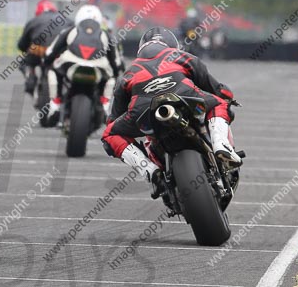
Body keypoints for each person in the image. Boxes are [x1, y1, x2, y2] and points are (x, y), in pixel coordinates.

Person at [101, 27, 241, 195]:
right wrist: (227, 97)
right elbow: (217, 89)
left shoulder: (129, 72)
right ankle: (221, 144)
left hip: (144, 112)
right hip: (189, 98)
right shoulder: (182, 56)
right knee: (218, 104)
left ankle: (150, 170)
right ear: (173, 45)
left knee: (109, 134)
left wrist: (122, 126)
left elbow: (113, 120)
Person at [44, 4, 123, 123]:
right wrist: (117, 72)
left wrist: (47, 62)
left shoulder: (69, 30)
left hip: (71, 62)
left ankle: (55, 103)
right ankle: (105, 102)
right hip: (99, 65)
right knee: (111, 76)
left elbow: (51, 51)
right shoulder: (106, 35)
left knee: (52, 70)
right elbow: (116, 61)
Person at [16, 0, 69, 95]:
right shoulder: (66, 19)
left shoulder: (33, 21)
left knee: (25, 61)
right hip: (60, 51)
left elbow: (22, 45)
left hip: (40, 50)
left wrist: (27, 50)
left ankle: (30, 75)